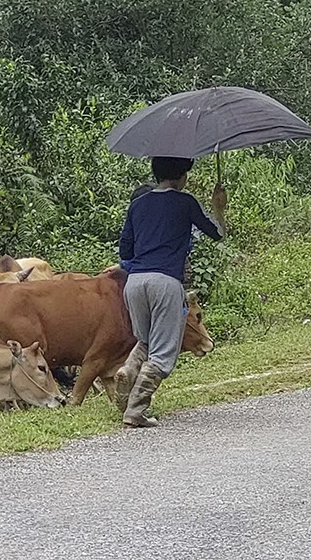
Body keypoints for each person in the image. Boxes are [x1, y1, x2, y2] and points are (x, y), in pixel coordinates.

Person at [113, 156, 227, 427]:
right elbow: (217, 234)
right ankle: (136, 410)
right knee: (163, 353)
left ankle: (128, 370)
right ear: (181, 176)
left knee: (146, 340)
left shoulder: (137, 204)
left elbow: (125, 251)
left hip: (135, 282)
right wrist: (218, 208)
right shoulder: (185, 201)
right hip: (166, 282)